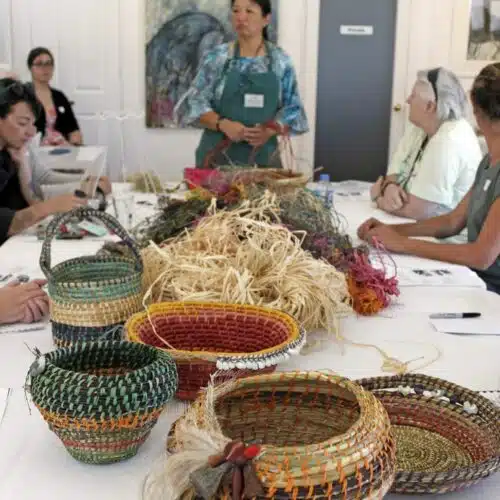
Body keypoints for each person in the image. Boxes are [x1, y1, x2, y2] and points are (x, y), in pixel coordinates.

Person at [358, 62, 500, 294]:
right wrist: (393, 231)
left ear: (477, 111)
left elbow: (481, 256)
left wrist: (402, 243)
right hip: (473, 276)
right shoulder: (489, 161)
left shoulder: (457, 141)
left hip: (489, 289)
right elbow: (452, 222)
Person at [180, 0, 308, 168]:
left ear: (266, 19)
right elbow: (194, 103)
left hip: (263, 163)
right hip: (216, 163)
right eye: (236, 11)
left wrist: (269, 130)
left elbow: (294, 110)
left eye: (249, 11)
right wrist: (222, 124)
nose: (241, 17)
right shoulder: (217, 58)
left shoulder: (280, 61)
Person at [371, 68, 482, 220]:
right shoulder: (420, 127)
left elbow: (420, 211)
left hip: (439, 228)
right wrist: (390, 186)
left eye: (413, 96)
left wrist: (379, 199)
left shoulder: (448, 141)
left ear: (430, 106)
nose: (408, 100)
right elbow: (394, 169)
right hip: (409, 217)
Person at [0, 78, 87, 245]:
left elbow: (31, 195)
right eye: (22, 123)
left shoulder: (10, 153)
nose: (31, 132)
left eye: (32, 124)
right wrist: (47, 207)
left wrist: (22, 165)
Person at [27, 47, 83, 146]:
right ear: (30, 68)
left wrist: (73, 147)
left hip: (62, 150)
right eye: (39, 64)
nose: (45, 68)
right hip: (34, 150)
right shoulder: (23, 95)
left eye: (48, 64)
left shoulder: (59, 96)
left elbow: (73, 129)